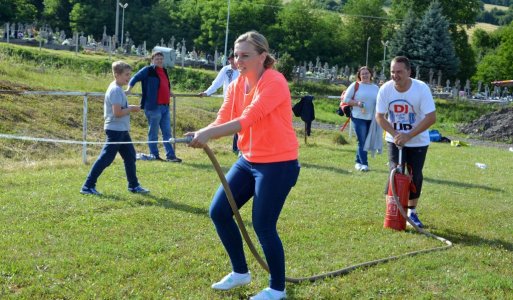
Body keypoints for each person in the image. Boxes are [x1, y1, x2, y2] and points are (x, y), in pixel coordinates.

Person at [187, 31, 299, 300]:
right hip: (248, 160)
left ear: (263, 56)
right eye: (236, 55)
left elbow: (249, 119)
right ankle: (240, 272)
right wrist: (201, 132)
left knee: (263, 225)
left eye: (245, 55)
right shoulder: (237, 84)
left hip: (278, 164)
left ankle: (277, 289)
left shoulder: (275, 81)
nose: (238, 60)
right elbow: (223, 117)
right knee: (218, 211)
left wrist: (208, 135)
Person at [375, 56, 436, 228]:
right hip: (394, 140)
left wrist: (408, 135)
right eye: (392, 72)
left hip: (418, 141)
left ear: (409, 72)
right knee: (395, 172)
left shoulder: (420, 89)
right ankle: (392, 211)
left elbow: (431, 117)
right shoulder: (385, 89)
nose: (395, 75)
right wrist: (395, 134)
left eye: (399, 72)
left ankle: (412, 212)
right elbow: (379, 116)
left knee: (414, 175)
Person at [80, 61, 149, 195]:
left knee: (130, 156)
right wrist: (131, 109)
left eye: (130, 74)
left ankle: (133, 185)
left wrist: (129, 108)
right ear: (116, 75)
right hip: (115, 130)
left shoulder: (118, 88)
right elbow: (117, 113)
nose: (129, 78)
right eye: (126, 75)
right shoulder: (116, 90)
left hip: (121, 130)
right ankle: (88, 186)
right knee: (105, 159)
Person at [126, 51, 182, 162]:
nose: (159, 60)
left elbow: (164, 85)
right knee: (153, 132)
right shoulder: (148, 70)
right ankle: (154, 155)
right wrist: (128, 89)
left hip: (165, 107)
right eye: (157, 59)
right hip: (153, 107)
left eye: (161, 58)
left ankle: (170, 156)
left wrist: (170, 92)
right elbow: (135, 78)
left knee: (167, 133)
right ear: (152, 60)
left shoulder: (164, 71)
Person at [198, 53, 240, 153]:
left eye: (235, 59)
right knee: (230, 123)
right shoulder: (225, 70)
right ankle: (236, 148)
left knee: (240, 123)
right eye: (231, 59)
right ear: (229, 60)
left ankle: (238, 147)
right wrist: (207, 92)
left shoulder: (242, 70)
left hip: (241, 100)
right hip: (229, 101)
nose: (233, 61)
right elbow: (217, 83)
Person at [342, 66, 379, 172]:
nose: (365, 75)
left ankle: (358, 162)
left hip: (371, 118)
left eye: (367, 73)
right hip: (358, 117)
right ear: (359, 75)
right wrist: (357, 103)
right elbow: (346, 99)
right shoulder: (355, 85)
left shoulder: (376, 88)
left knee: (364, 141)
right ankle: (364, 164)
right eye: (362, 74)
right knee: (363, 141)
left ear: (371, 74)